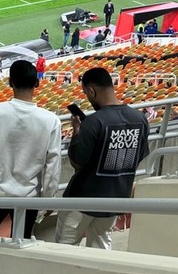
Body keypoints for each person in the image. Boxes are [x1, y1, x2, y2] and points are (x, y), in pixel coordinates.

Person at [56, 67, 149, 250]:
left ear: (91, 91)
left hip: (82, 199)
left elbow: (77, 162)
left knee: (64, 248)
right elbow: (137, 158)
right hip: (115, 199)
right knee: (101, 248)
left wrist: (77, 131)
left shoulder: (94, 122)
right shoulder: (140, 119)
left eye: (86, 93)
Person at [0, 60, 62, 239]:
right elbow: (52, 169)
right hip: (27, 196)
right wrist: (48, 198)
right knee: (22, 242)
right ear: (37, 83)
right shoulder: (51, 121)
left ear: (10, 82)